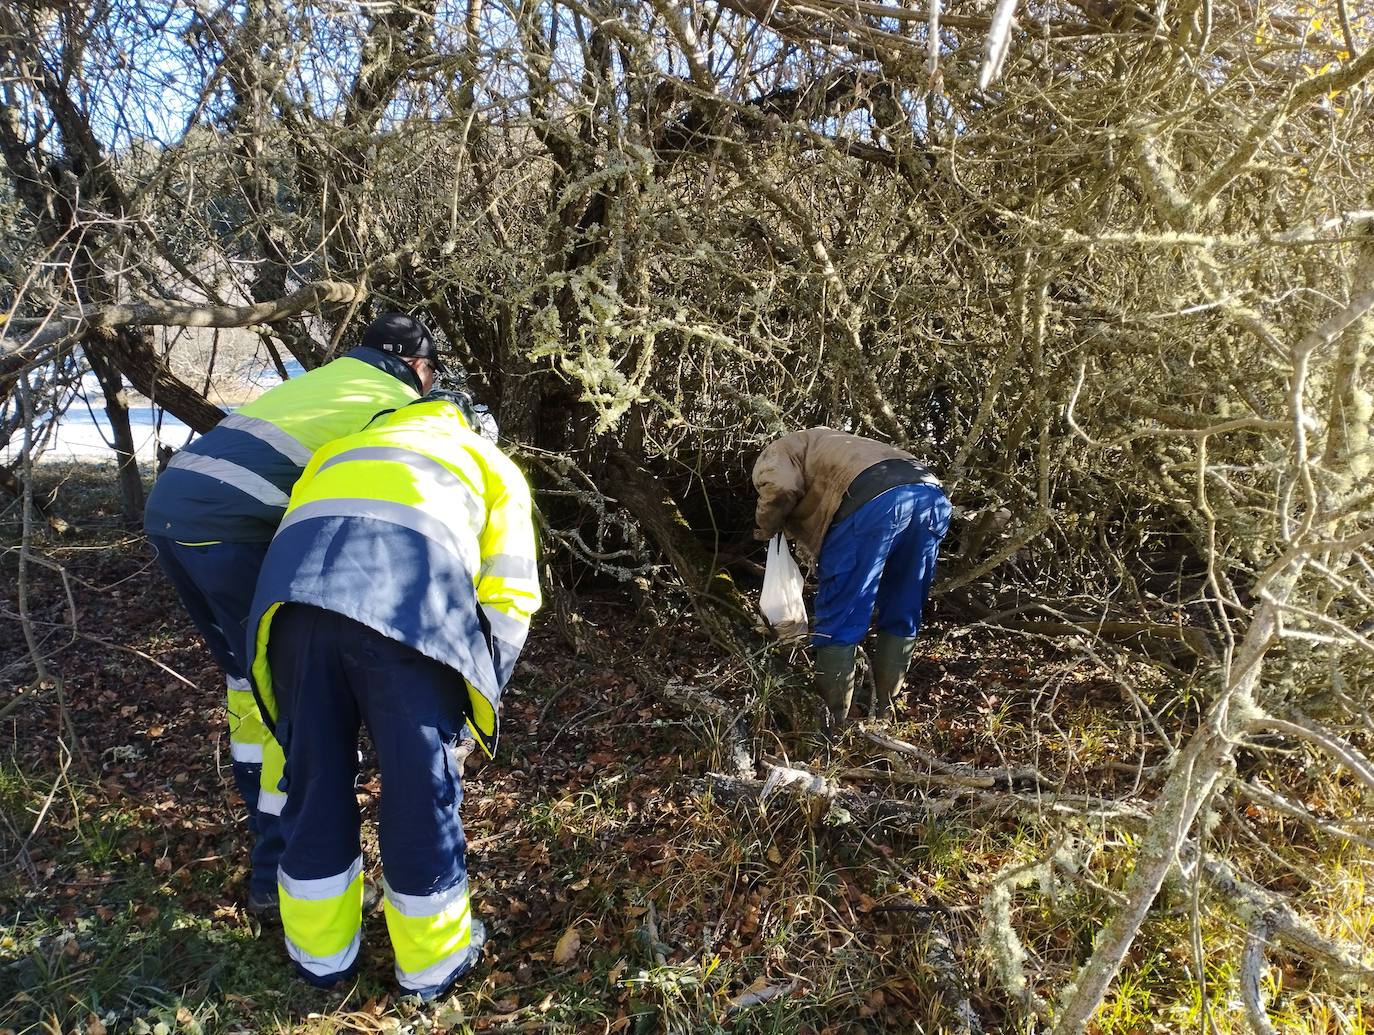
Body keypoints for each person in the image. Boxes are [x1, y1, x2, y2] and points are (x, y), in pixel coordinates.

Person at [245, 388, 540, 1000]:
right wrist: (481, 690)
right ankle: (432, 964)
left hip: (293, 616)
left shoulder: (337, 451)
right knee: (417, 790)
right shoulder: (487, 462)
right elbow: (510, 596)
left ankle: (321, 958)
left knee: (314, 779)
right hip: (409, 619)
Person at [143, 312, 443, 911]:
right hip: (234, 529)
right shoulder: (396, 404)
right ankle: (287, 875)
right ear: (418, 367)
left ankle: (270, 852)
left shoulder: (324, 379)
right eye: (431, 374)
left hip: (171, 514)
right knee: (290, 694)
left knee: (247, 682)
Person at [752, 427, 950, 728]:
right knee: (904, 606)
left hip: (873, 505)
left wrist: (766, 528)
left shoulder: (781, 447)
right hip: (930, 497)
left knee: (843, 611)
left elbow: (779, 486)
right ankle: (885, 709)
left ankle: (834, 722)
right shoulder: (838, 441)